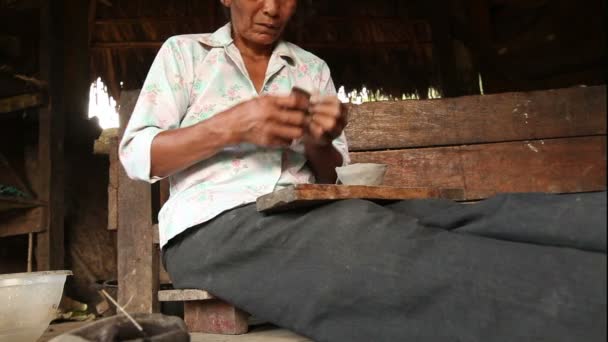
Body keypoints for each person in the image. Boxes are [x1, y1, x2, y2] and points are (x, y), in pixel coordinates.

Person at [120, 1, 607, 341]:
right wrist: (231, 125)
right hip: (215, 227)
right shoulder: (185, 54)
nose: (272, 7)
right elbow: (139, 155)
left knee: (454, 216)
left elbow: (331, 178)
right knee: (366, 238)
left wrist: (318, 140)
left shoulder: (309, 68)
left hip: (309, 212)